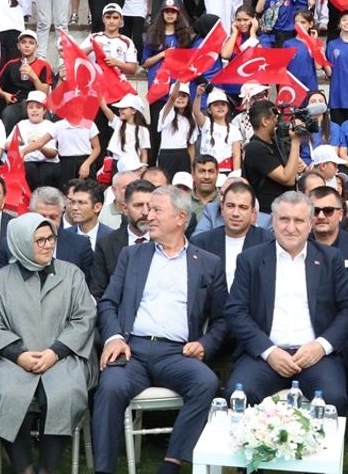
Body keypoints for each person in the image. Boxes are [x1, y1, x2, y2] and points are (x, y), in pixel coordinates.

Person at [92, 186, 226, 474]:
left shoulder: (208, 263)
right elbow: (108, 302)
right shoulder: (132, 256)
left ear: (180, 218)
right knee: (110, 387)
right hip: (133, 350)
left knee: (205, 382)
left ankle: (172, 462)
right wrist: (114, 337)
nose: (147, 216)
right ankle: (103, 469)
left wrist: (205, 344)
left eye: (156, 210)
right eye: (147, 209)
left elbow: (223, 319)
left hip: (176, 354)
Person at [0, 212, 97, 474]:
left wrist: (55, 353)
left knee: (64, 393)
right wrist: (19, 355)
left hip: (63, 356)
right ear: (20, 242)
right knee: (7, 393)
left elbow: (84, 318)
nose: (47, 245)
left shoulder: (72, 275)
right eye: (39, 240)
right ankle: (24, 468)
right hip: (12, 358)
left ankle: (47, 468)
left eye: (50, 238)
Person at [224, 191, 348, 408]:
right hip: (265, 355)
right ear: (273, 221)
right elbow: (236, 311)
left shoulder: (330, 259)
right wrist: (270, 351)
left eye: (299, 220)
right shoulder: (251, 259)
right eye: (284, 219)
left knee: (333, 398)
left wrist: (320, 346)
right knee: (239, 395)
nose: (291, 227)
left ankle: (319, 443)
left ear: (311, 223)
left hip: (315, 356)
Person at [189, 179, 270, 289]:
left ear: (253, 213)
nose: (235, 213)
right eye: (231, 206)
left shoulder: (268, 243)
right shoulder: (201, 244)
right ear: (222, 209)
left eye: (243, 207)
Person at [89, 178, 155, 299]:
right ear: (125, 209)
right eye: (138, 205)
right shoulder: (106, 244)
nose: (145, 212)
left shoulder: (165, 242)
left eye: (150, 207)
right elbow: (98, 293)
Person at [241, 99, 305, 218]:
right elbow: (288, 179)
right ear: (265, 121)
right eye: (274, 118)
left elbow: (293, 170)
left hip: (283, 209)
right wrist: (296, 142)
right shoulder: (255, 149)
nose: (277, 121)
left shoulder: (276, 143)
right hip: (267, 215)